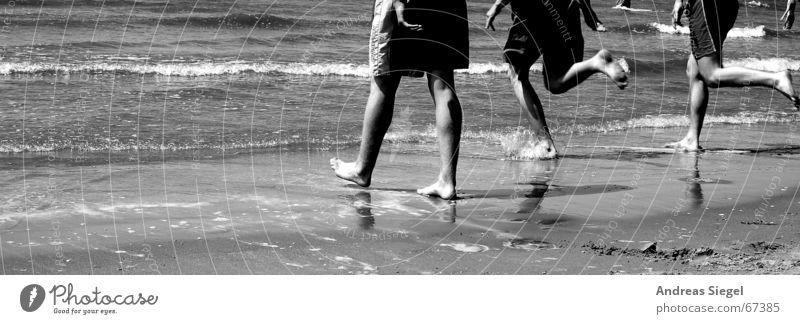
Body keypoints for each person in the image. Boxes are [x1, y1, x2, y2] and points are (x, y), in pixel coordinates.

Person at [330, 0, 468, 199]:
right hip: (448, 5)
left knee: (383, 83)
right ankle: (447, 181)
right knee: (443, 85)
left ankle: (362, 169)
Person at [485, 0, 629, 159]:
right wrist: (589, 13)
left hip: (533, 9)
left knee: (517, 73)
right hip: (566, 11)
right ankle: (595, 63)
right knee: (555, 82)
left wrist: (498, 5)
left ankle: (544, 143)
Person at [667, 0, 800, 151]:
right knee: (694, 68)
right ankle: (692, 138)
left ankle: (776, 79)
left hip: (706, 5)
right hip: (727, 5)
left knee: (711, 75)